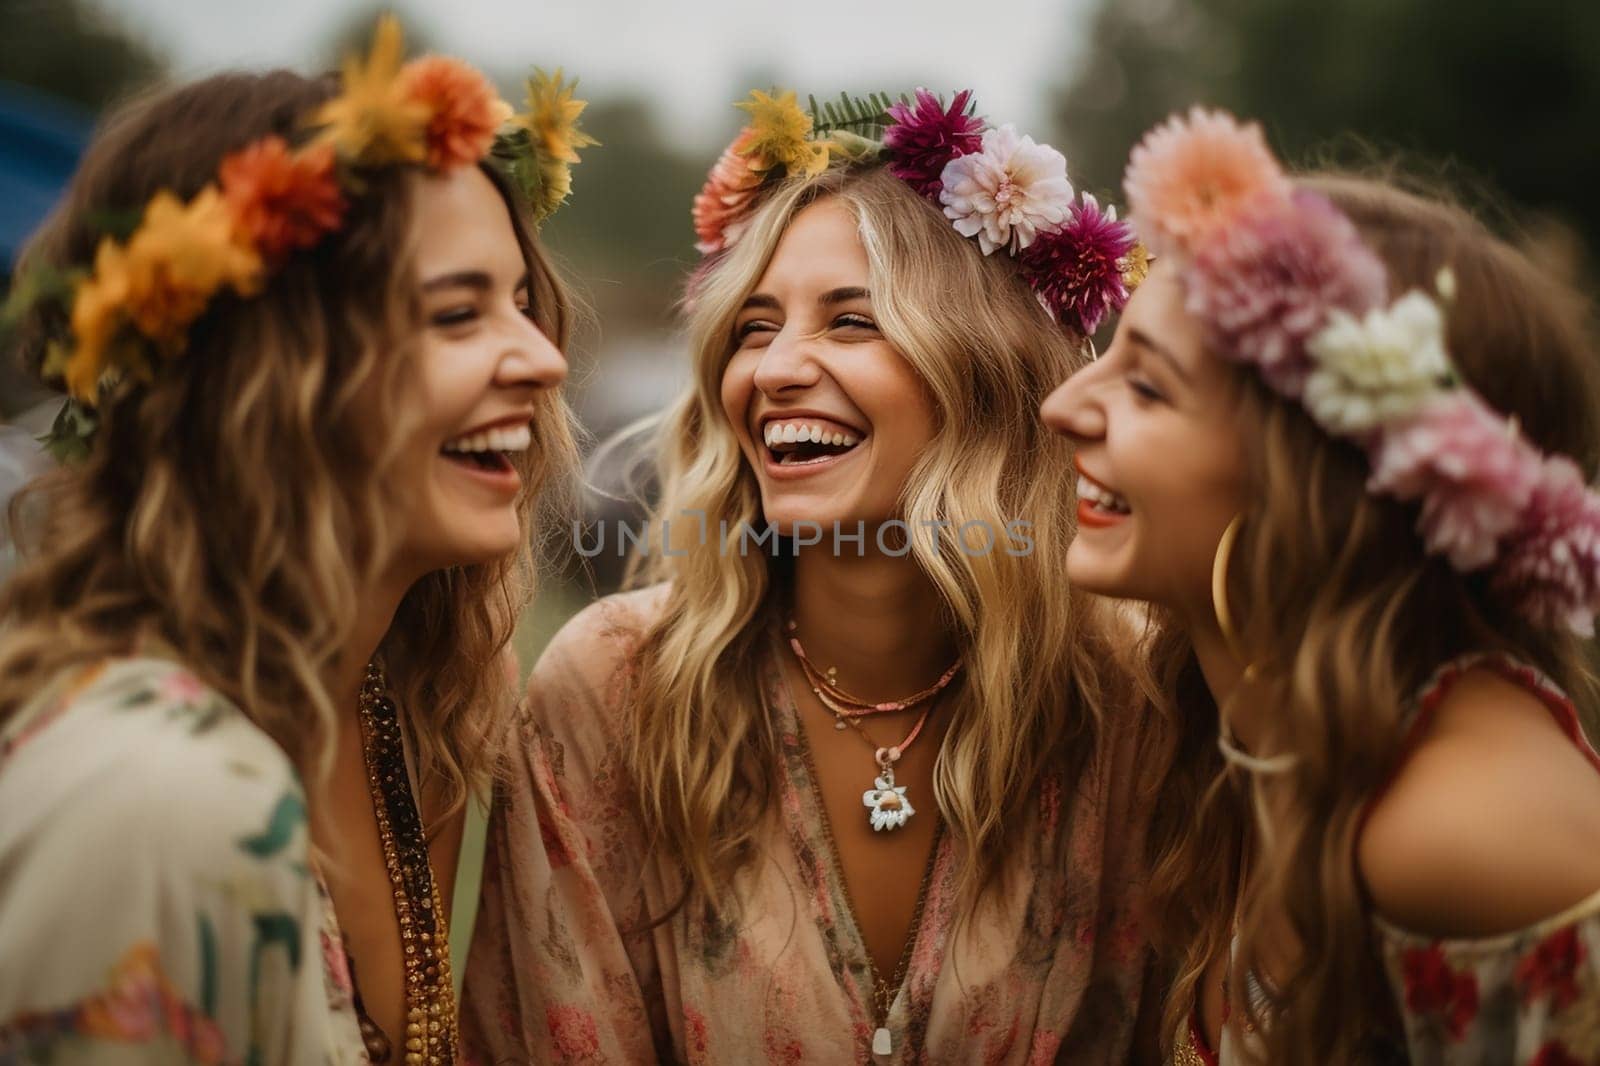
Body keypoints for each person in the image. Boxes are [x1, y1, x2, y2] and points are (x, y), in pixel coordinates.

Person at [463, 88, 1162, 1063]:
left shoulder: (1134, 697)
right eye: (752, 327)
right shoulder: (616, 690)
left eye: (849, 322)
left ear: (986, 374)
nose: (776, 367)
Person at [0, 18, 589, 1063]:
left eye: (520, 303)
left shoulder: (418, 705)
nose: (543, 357)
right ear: (265, 374)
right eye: (458, 314)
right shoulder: (157, 793)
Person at [1042, 107, 1600, 1063]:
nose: (1059, 407)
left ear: (1315, 481)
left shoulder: (1464, 825)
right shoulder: (1244, 744)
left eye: (1147, 388)